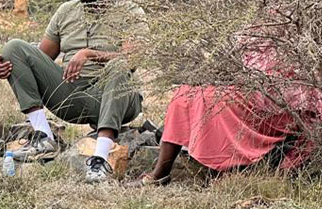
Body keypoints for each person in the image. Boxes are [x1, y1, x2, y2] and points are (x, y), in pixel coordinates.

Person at [0, 0, 145, 182]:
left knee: (119, 65)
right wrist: (12, 67)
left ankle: (100, 159)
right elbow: (41, 58)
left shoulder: (130, 12)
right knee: (14, 48)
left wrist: (89, 54)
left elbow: (131, 59)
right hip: (72, 97)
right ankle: (44, 136)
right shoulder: (66, 11)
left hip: (116, 95)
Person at [136, 41, 322, 185]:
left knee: (214, 103)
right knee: (184, 94)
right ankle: (160, 174)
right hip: (251, 87)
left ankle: (223, 170)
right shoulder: (256, 13)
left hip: (284, 99)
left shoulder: (299, 13)